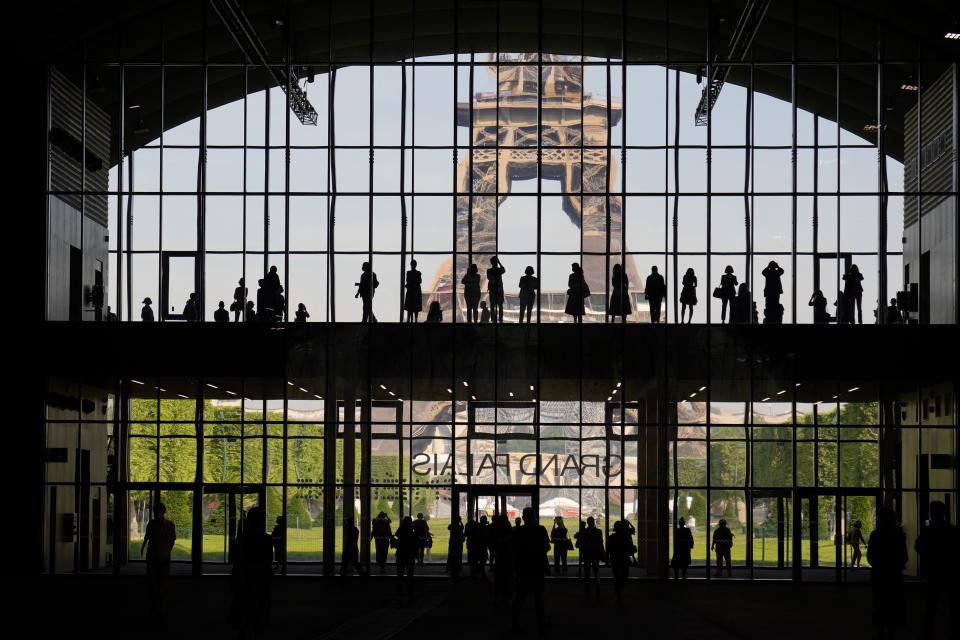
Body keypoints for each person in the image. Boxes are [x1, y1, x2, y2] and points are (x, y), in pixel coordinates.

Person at [915, 501, 959, 639]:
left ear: (932, 513)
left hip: (934, 572)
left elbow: (918, 547)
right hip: (951, 572)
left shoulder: (929, 531)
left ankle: (928, 633)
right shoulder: (953, 530)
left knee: (931, 606)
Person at [229, 506, 273, 640]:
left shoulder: (242, 537)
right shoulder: (266, 539)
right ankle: (258, 631)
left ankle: (242, 630)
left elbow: (237, 556)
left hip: (245, 574)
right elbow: (269, 559)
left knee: (243, 603)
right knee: (260, 604)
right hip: (261, 576)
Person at [867, 507, 907, 640]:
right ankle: (890, 634)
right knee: (892, 604)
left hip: (879, 575)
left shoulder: (875, 535)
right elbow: (904, 556)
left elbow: (870, 557)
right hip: (894, 575)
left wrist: (879, 565)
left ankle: (880, 634)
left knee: (879, 604)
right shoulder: (899, 535)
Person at [512, 507, 551, 633]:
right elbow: (546, 547)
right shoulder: (541, 530)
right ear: (534, 517)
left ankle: (515, 623)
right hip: (537, 567)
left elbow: (515, 549)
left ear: (523, 518)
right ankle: (541, 623)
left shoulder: (519, 531)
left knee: (519, 598)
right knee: (539, 598)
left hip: (523, 568)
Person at [141, 502, 176, 622]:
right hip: (163, 557)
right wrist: (167, 550)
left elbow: (147, 538)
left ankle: (156, 606)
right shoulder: (170, 525)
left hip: (154, 557)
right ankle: (160, 607)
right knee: (161, 583)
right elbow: (172, 541)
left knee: (154, 583)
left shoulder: (151, 524)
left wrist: (143, 548)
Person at [607, 520, 637, 602]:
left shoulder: (611, 537)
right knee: (624, 574)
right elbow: (629, 549)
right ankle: (621, 585)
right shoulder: (625, 537)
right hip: (624, 558)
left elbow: (608, 549)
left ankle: (617, 587)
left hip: (614, 559)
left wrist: (607, 559)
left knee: (616, 575)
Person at [393, 515, 418, 603]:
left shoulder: (401, 531)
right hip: (410, 556)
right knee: (410, 576)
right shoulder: (412, 533)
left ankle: (399, 595)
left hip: (401, 555)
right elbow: (416, 545)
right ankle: (410, 595)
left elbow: (396, 535)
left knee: (399, 576)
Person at [579, 516, 604, 593]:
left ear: (587, 523)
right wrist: (602, 552)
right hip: (595, 553)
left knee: (587, 571)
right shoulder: (598, 531)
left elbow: (580, 542)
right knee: (596, 570)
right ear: (593, 522)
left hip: (586, 553)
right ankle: (597, 584)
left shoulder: (584, 532)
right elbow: (601, 543)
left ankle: (587, 586)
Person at [487, 256, 506, 323]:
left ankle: (493, 319)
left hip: (492, 289)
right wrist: (499, 262)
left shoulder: (489, 271)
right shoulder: (499, 270)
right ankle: (500, 319)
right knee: (500, 305)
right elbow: (503, 270)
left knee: (492, 305)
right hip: (499, 289)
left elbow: (490, 278)